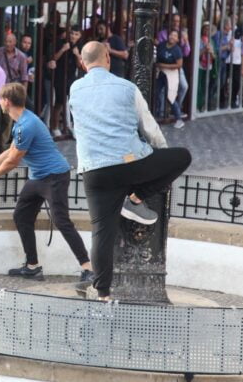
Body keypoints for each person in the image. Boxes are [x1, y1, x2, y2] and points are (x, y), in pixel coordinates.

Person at [69, 42, 191, 301]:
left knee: (101, 232)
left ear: (82, 63)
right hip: (130, 163)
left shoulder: (74, 90)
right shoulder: (127, 87)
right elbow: (149, 127)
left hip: (94, 170)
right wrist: (160, 154)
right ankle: (135, 198)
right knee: (182, 157)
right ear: (108, 59)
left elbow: (75, 127)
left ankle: (103, 293)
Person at [0, 82, 94, 282]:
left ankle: (88, 269)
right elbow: (11, 151)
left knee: (62, 221)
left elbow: (13, 160)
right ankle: (32, 266)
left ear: (6, 101)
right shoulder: (21, 121)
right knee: (21, 216)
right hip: (38, 178)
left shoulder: (26, 125)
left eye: (0, 99)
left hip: (54, 177)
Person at [0, 33, 28, 152]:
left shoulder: (21, 56)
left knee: (8, 119)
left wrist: (22, 94)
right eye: (6, 41)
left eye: (10, 42)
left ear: (15, 42)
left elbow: (24, 77)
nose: (8, 44)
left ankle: (2, 145)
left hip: (11, 90)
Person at [155, 29, 185, 129]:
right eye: (171, 34)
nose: (172, 37)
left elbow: (179, 64)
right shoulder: (162, 45)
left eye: (175, 36)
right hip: (161, 73)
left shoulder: (177, 50)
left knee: (170, 96)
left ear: (177, 39)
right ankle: (157, 114)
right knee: (156, 92)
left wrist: (163, 65)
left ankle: (178, 118)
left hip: (171, 74)